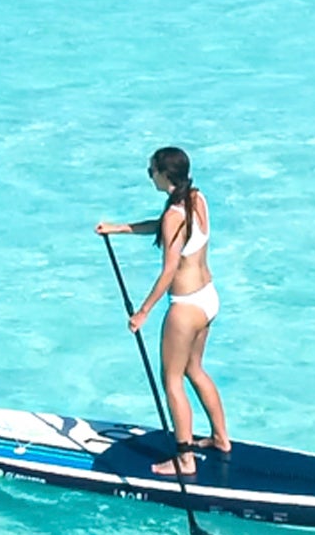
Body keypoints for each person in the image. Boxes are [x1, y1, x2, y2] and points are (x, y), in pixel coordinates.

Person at [96, 146, 232, 476]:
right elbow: (164, 226)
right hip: (208, 297)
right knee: (194, 369)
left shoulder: (174, 215)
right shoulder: (196, 198)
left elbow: (169, 270)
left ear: (164, 175)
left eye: (151, 170)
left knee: (171, 380)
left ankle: (184, 460)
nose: (149, 175)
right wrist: (120, 228)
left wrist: (143, 312)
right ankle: (221, 439)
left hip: (185, 307)